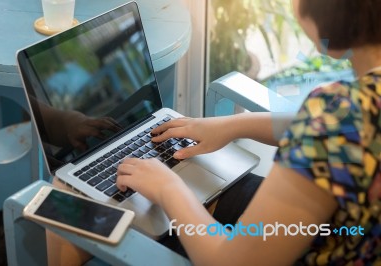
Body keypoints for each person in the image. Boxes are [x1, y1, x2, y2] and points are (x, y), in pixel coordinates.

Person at [50, 0, 381, 264]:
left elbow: (230, 261)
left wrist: (168, 188)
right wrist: (233, 125)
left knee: (64, 193)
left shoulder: (334, 115)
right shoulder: (348, 110)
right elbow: (340, 131)